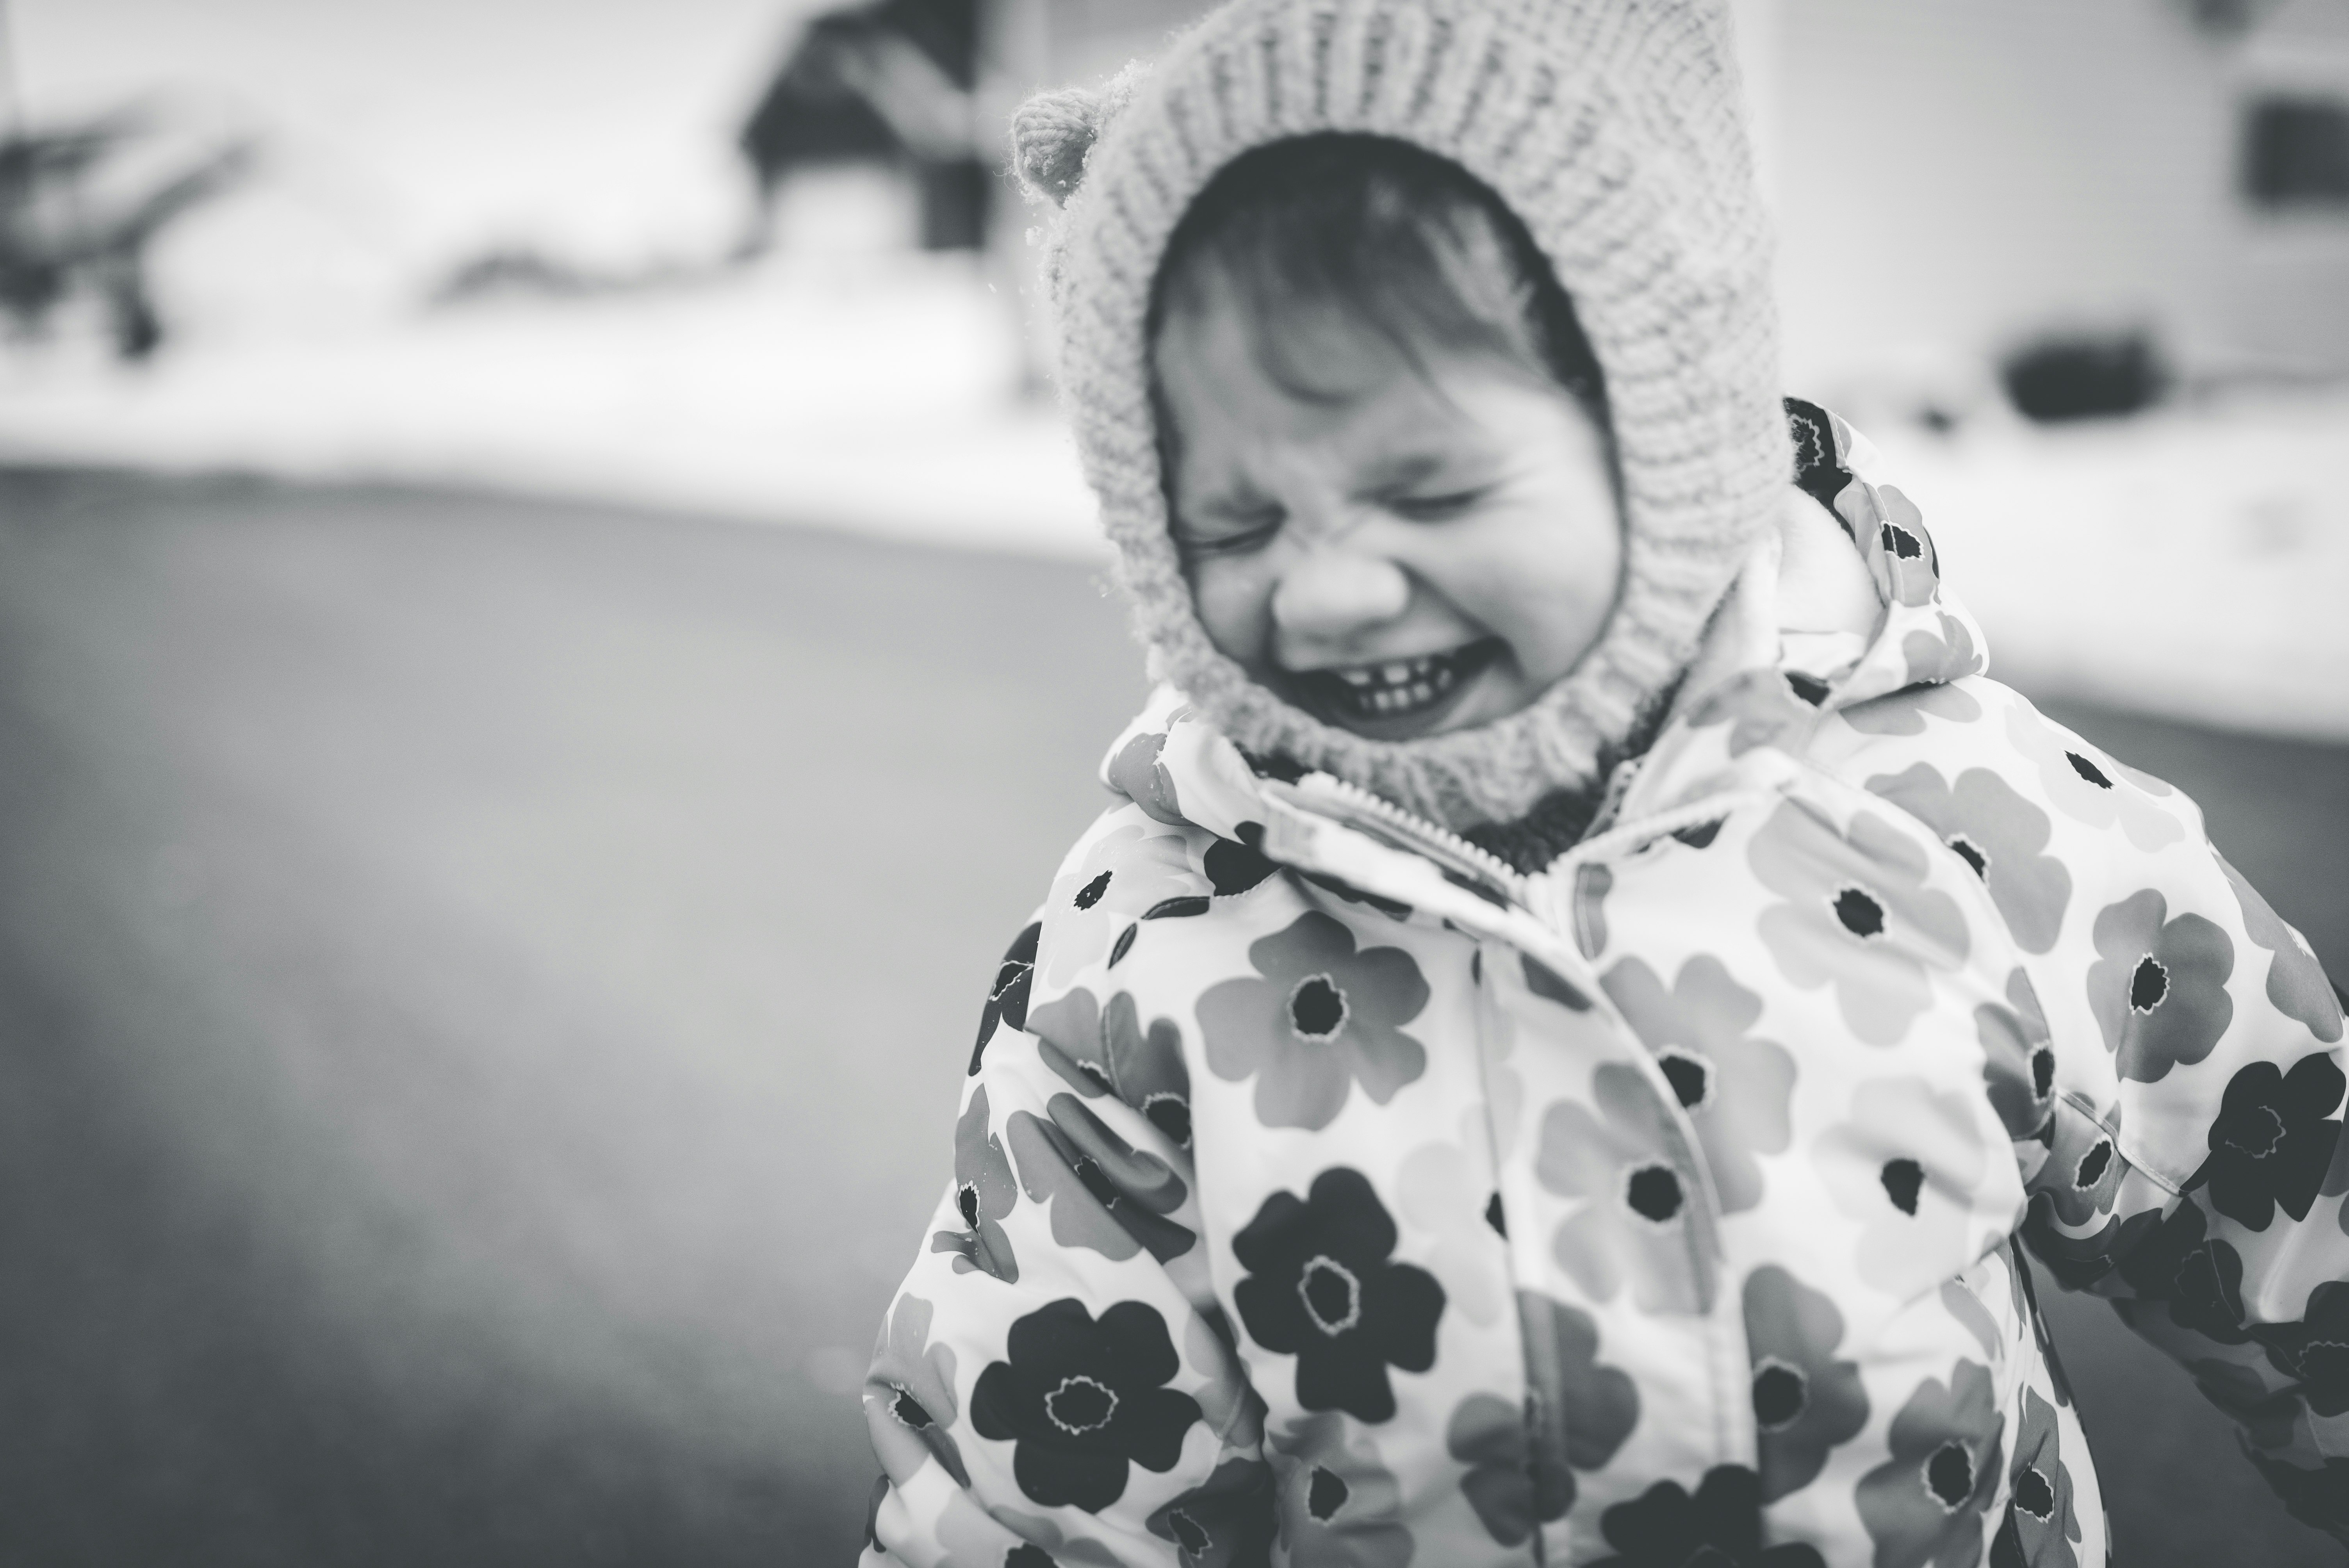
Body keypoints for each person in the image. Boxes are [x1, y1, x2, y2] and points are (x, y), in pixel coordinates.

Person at [859, 3, 2349, 1563]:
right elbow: (1033, 1471)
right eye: (1233, 527)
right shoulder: (1155, 933)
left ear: (1673, 431)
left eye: (1427, 485)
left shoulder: (1960, 815)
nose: (1327, 593)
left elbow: (2291, 1194)